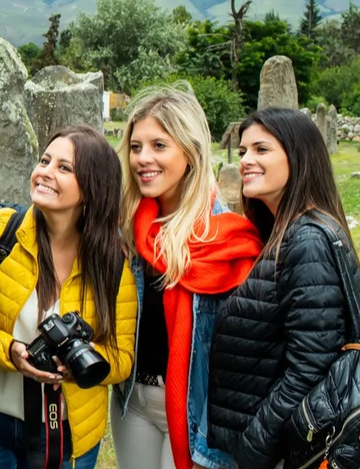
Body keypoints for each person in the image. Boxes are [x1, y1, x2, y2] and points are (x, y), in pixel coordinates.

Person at [208, 108, 360, 469]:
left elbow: (311, 367)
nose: (247, 160)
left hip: (287, 450)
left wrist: (254, 446)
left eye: (261, 150)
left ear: (297, 155)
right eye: (242, 152)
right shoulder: (282, 233)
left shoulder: (307, 241)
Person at [111, 85, 264, 469]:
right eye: (136, 146)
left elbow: (242, 358)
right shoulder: (125, 229)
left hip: (197, 410)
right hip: (133, 401)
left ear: (190, 152)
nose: (143, 158)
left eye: (159, 145)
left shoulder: (229, 238)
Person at [0, 126, 138, 469]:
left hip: (66, 435)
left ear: (92, 188)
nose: (45, 172)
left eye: (64, 168)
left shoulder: (112, 263)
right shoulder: (3, 232)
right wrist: (11, 352)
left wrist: (79, 364)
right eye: (45, 160)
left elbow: (122, 359)